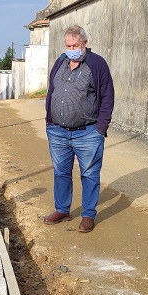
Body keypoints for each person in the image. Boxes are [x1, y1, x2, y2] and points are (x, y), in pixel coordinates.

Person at [42, 24, 114, 233]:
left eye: (75, 45)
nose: (71, 49)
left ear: (85, 43)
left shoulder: (97, 64)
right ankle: (62, 209)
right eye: (68, 45)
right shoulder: (60, 62)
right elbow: (52, 90)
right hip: (57, 131)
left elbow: (107, 96)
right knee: (61, 172)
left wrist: (101, 128)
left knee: (90, 173)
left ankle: (88, 214)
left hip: (88, 132)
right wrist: (49, 120)